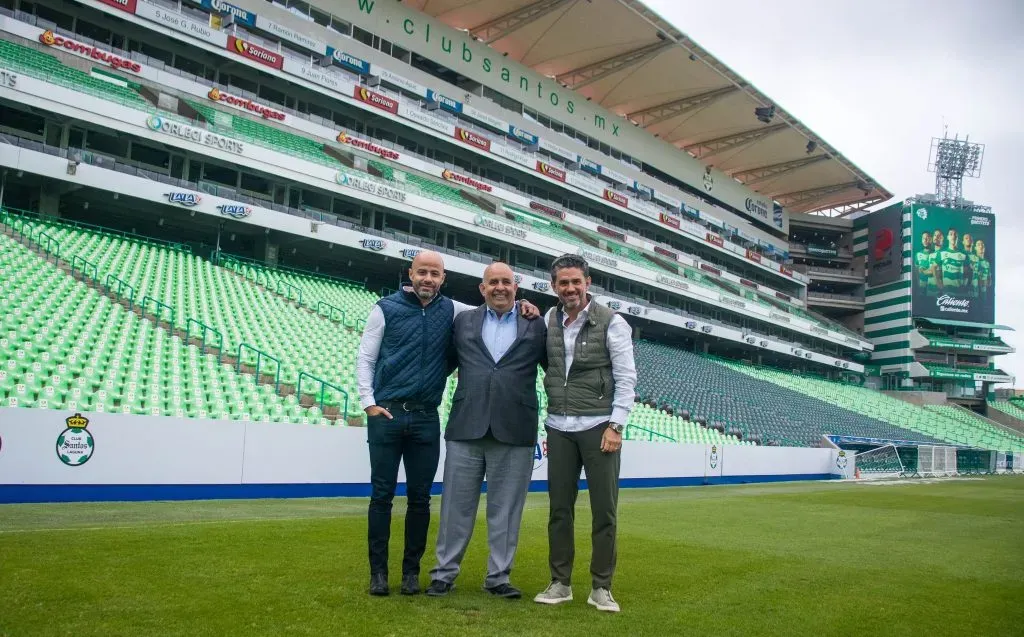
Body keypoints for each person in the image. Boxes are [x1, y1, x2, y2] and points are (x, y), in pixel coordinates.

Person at [356, 250, 538, 597]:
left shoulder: (466, 312)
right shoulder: (399, 310)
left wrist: (525, 303)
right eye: (422, 272)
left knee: (426, 500)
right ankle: (400, 574)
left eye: (435, 274)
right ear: (411, 273)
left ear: (443, 279)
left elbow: (503, 308)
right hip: (415, 417)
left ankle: (433, 575)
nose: (428, 279)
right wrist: (369, 403)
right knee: (395, 499)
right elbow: (366, 356)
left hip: (454, 419)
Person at [425, 262, 547, 599]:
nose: (499, 287)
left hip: (515, 429)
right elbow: (442, 363)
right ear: (482, 288)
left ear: (516, 286)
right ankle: (443, 574)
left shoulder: (536, 324)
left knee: (506, 511)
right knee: (455, 508)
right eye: (492, 282)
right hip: (467, 425)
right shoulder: (462, 321)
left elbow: (555, 370)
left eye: (506, 282)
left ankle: (498, 578)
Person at [533, 254, 637, 613]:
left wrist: (616, 425)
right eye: (563, 283)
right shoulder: (548, 319)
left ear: (587, 282)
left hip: (598, 427)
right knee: (559, 510)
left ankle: (601, 587)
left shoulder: (613, 322)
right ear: (554, 287)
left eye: (576, 281)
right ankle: (560, 583)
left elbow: (627, 378)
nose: (570, 288)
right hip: (559, 426)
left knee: (604, 511)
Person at [938, 227, 966, 294]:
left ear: (957, 237)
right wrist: (939, 283)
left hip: (959, 291)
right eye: (951, 234)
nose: (953, 236)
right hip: (946, 291)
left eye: (955, 234)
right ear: (947, 237)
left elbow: (968, 271)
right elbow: (934, 267)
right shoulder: (942, 252)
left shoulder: (963, 254)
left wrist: (965, 285)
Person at [914, 230, 939, 295]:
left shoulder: (936, 254)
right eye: (923, 238)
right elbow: (916, 271)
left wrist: (923, 271)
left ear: (931, 239)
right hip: (921, 289)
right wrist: (918, 285)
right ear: (922, 240)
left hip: (933, 289)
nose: (925, 240)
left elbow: (936, 271)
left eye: (927, 238)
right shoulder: (918, 254)